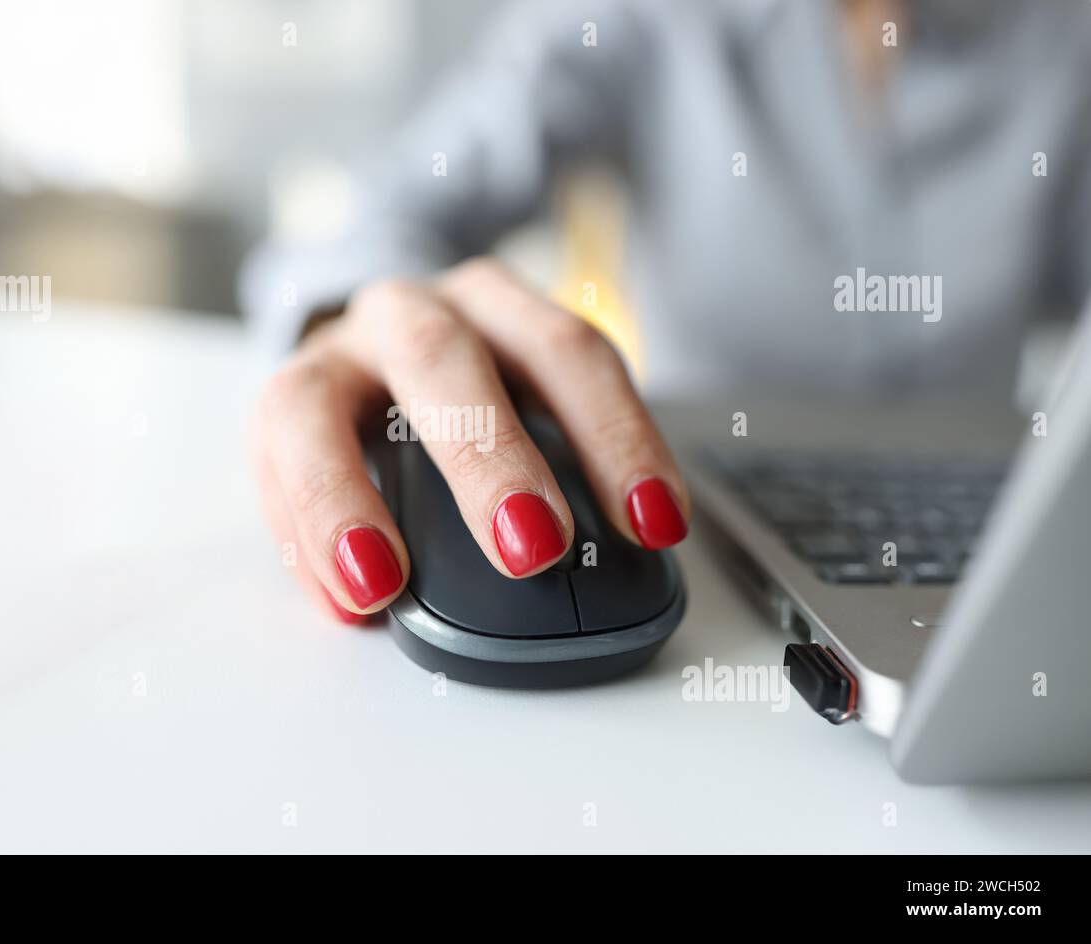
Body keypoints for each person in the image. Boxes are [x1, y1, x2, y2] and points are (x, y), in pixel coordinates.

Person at [241, 0, 1091, 622]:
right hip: (699, 538)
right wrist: (367, 318)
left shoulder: (1068, 37)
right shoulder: (645, 18)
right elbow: (370, 215)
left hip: (1006, 544)